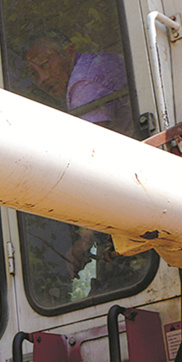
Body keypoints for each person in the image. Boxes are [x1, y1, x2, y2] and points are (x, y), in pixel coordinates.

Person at [19, 30, 142, 305]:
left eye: (45, 63)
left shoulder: (83, 85)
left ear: (69, 52)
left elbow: (96, 164)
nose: (42, 79)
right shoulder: (98, 63)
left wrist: (85, 240)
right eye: (33, 73)